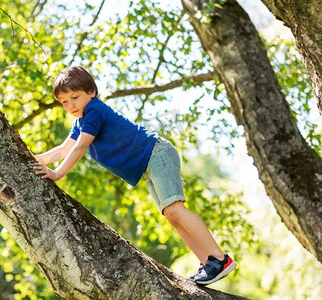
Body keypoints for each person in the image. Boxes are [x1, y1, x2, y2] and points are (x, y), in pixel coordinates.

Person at [32, 66, 237, 285]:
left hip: (156, 153)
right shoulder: (80, 121)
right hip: (149, 163)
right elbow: (64, 149)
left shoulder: (94, 111)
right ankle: (207, 263)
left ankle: (219, 258)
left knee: (176, 209)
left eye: (75, 97)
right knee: (171, 215)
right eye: (64, 102)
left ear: (91, 92)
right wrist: (35, 159)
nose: (70, 105)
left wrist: (58, 173)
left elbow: (80, 147)